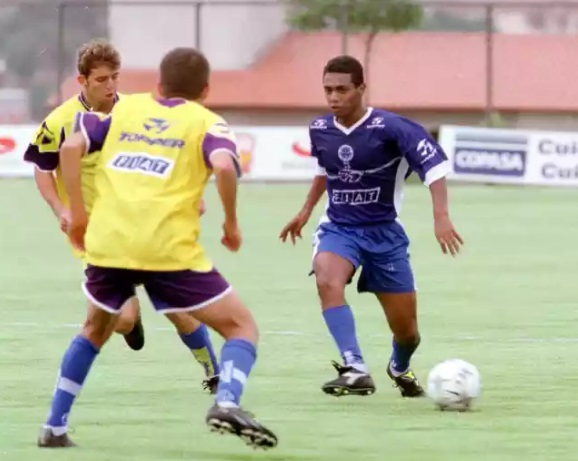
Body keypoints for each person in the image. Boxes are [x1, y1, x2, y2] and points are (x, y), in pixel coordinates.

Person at [37, 47, 278, 450]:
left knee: (94, 330)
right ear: (205, 90)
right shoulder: (208, 122)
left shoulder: (123, 113)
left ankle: (54, 426)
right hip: (166, 250)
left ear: (159, 84)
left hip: (109, 242)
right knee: (241, 327)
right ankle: (227, 401)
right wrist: (231, 223)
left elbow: (70, 148)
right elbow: (222, 166)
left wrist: (77, 215)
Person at [24, 39, 220, 389]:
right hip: (96, 234)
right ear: (82, 81)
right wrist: (61, 208)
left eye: (115, 77)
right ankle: (129, 316)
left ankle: (213, 372)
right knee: (124, 320)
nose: (111, 85)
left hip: (144, 224)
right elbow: (42, 167)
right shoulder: (60, 121)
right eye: (101, 79)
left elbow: (167, 154)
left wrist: (190, 198)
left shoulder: (132, 111)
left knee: (178, 309)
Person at [280, 55, 463, 399]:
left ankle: (399, 366)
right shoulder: (320, 129)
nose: (334, 97)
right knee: (326, 278)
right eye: (328, 90)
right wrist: (305, 211)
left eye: (342, 89)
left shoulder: (394, 128)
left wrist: (441, 217)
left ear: (361, 89)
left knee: (407, 332)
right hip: (339, 227)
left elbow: (435, 168)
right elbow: (324, 171)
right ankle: (355, 367)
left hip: (384, 235)